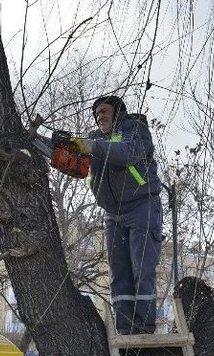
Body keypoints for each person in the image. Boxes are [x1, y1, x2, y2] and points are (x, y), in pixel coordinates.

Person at [78, 95, 163, 334]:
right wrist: (53, 146)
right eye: (96, 114)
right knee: (119, 272)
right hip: (112, 213)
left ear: (117, 112)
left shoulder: (134, 129)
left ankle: (144, 328)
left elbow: (127, 153)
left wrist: (91, 145)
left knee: (142, 267)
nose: (99, 117)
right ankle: (124, 329)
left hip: (141, 206)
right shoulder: (95, 139)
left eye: (104, 112)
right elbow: (76, 163)